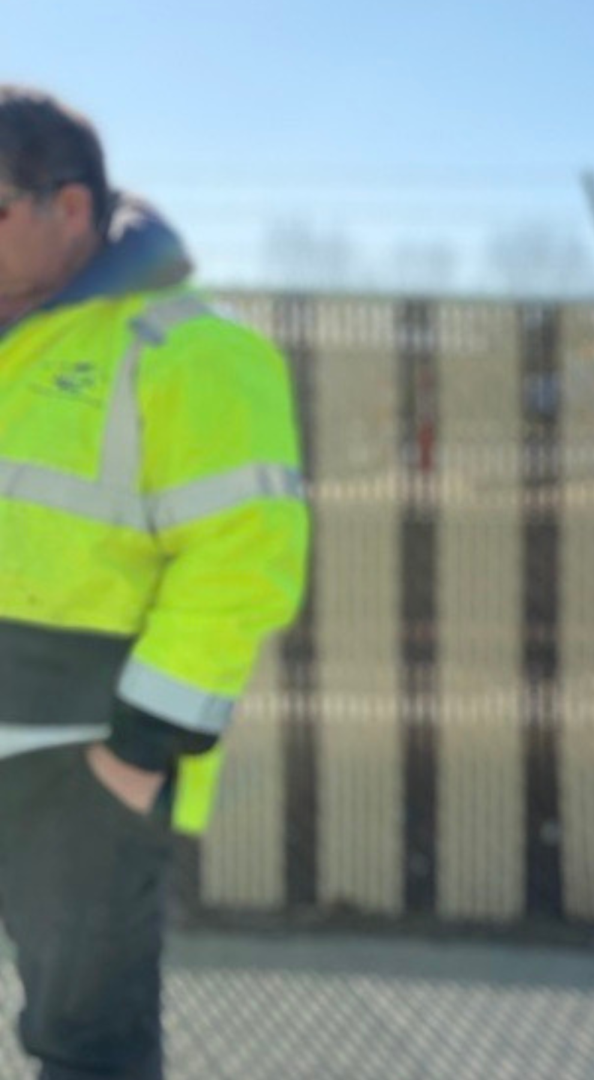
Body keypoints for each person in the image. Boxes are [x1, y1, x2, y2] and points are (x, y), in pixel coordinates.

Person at [0, 86, 309, 1080]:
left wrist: (135, 758)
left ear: (72, 209)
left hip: (77, 768)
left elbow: (239, 571)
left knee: (87, 1047)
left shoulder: (192, 354)